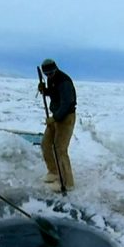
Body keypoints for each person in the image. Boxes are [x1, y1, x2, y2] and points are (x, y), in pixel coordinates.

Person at [37, 59, 76, 192]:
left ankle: (67, 183)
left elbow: (66, 103)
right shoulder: (51, 79)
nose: (49, 76)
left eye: (51, 73)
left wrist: (54, 118)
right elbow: (55, 94)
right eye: (46, 74)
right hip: (55, 117)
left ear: (56, 69)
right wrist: (45, 91)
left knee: (60, 149)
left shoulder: (64, 81)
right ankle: (54, 172)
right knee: (46, 144)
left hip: (65, 118)